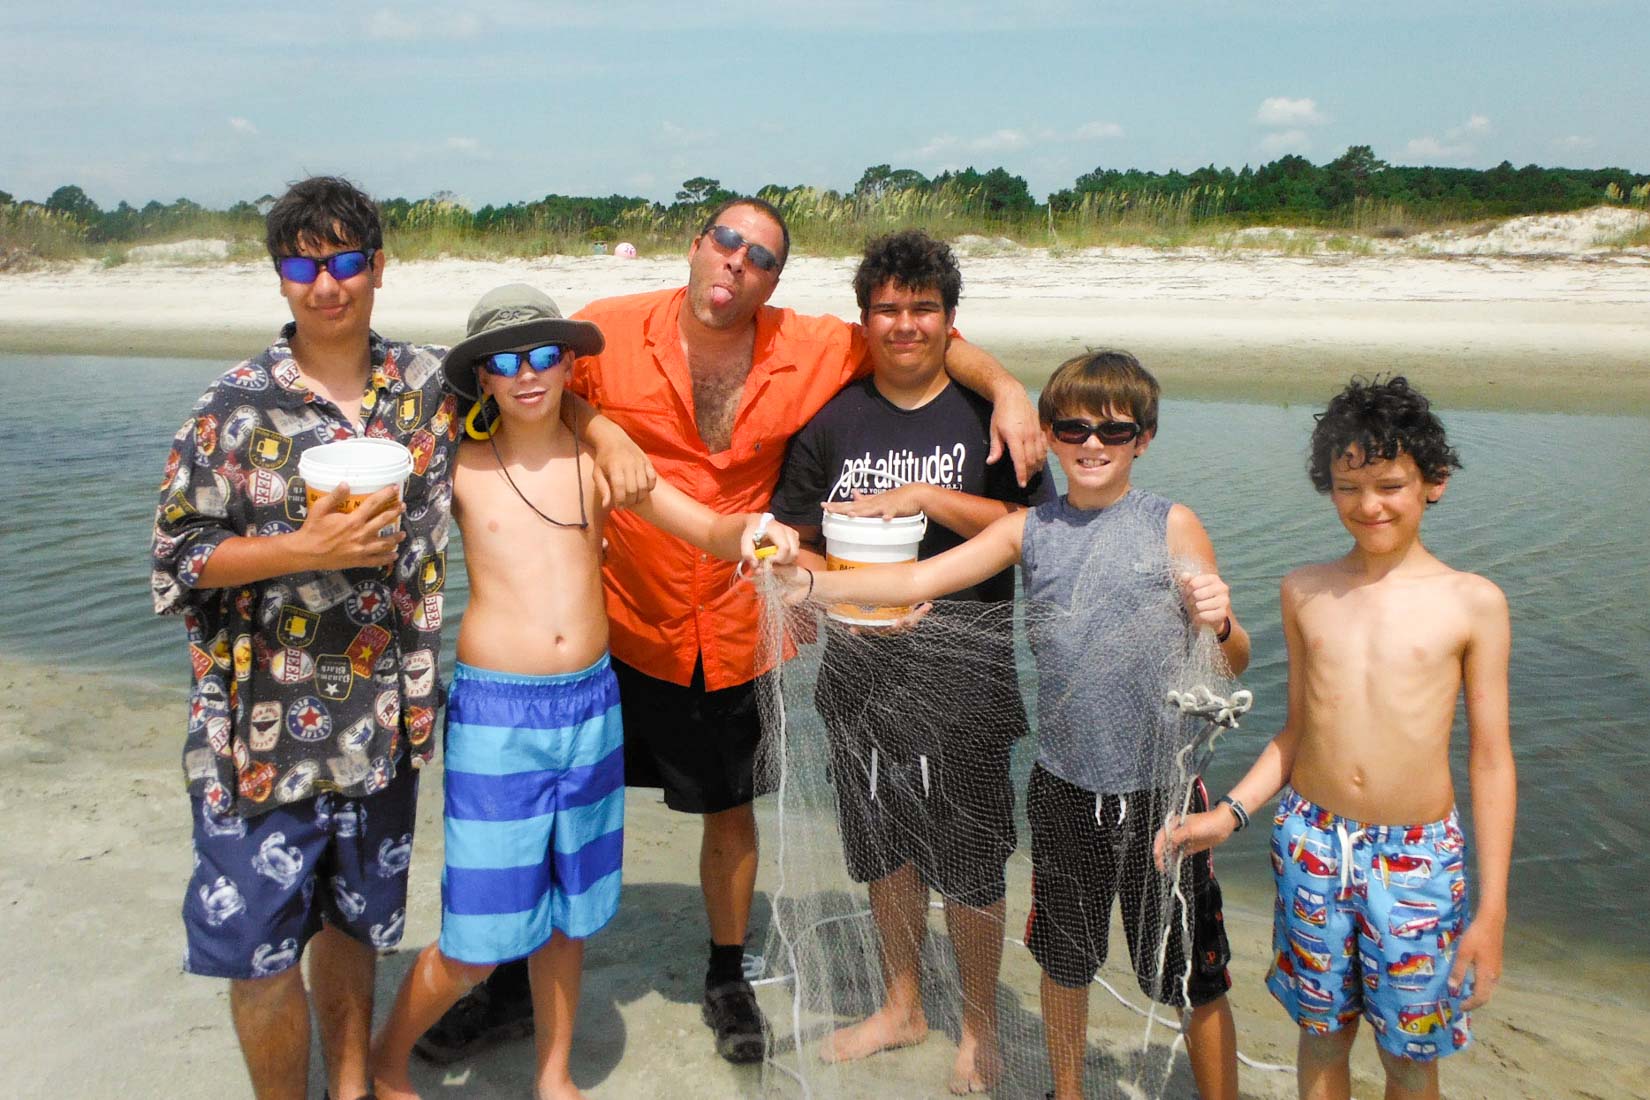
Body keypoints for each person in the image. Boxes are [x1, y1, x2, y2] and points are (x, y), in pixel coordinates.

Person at [418, 196, 1046, 1066]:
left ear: (775, 278)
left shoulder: (813, 345)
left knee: (729, 808)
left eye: (760, 257)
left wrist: (1010, 389)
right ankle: (510, 985)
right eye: (726, 242)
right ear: (695, 245)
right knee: (556, 813)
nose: (736, 264)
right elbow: (530, 390)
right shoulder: (606, 331)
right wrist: (598, 427)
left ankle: (725, 974)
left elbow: (920, 338)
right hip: (623, 621)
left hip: (734, 621)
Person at [150, 177, 641, 1100]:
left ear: (377, 267)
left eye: (344, 260)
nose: (325, 282)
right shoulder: (233, 407)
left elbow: (528, 392)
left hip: (384, 728)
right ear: (280, 276)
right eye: (303, 263)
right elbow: (176, 556)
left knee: (350, 933)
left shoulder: (427, 387)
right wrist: (300, 547)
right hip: (259, 735)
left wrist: (601, 424)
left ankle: (352, 1086)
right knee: (257, 958)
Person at [770, 350, 1251, 1100]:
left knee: (1192, 974)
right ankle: (1068, 1090)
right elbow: (917, 578)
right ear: (1052, 438)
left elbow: (1237, 662)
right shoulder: (1028, 530)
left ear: (1143, 439)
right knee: (1064, 965)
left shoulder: (1173, 524)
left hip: (1163, 795)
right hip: (1061, 793)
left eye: (1115, 431)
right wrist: (807, 582)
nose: (1093, 445)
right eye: (1074, 428)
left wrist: (1218, 626)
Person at [369, 285, 799, 1100]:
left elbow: (703, 525)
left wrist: (751, 530)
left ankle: (555, 1075)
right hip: (498, 713)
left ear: (570, 363)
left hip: (593, 707)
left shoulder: (603, 461)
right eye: (504, 360)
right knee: (477, 935)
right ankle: (387, 1065)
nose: (527, 373)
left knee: (569, 920)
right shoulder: (453, 466)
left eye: (543, 355)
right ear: (481, 377)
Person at [1157, 376, 1514, 1100]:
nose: (1369, 505)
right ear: (1329, 486)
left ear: (1433, 483)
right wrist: (1227, 815)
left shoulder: (1473, 602)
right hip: (1311, 842)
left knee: (1411, 1055)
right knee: (1321, 1035)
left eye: (1390, 485)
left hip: (1417, 858)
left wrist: (1492, 911)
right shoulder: (1305, 590)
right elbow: (1296, 733)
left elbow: (1491, 758)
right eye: (1349, 487)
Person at [768, 229, 1051, 1094]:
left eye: (922, 308)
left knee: (969, 858)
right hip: (859, 672)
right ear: (865, 320)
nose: (904, 324)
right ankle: (901, 1004)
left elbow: (1034, 537)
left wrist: (928, 497)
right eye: (886, 308)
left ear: (950, 321)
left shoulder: (993, 422)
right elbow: (797, 548)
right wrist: (796, 581)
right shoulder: (830, 422)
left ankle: (977, 1023)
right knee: (882, 849)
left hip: (968, 673)